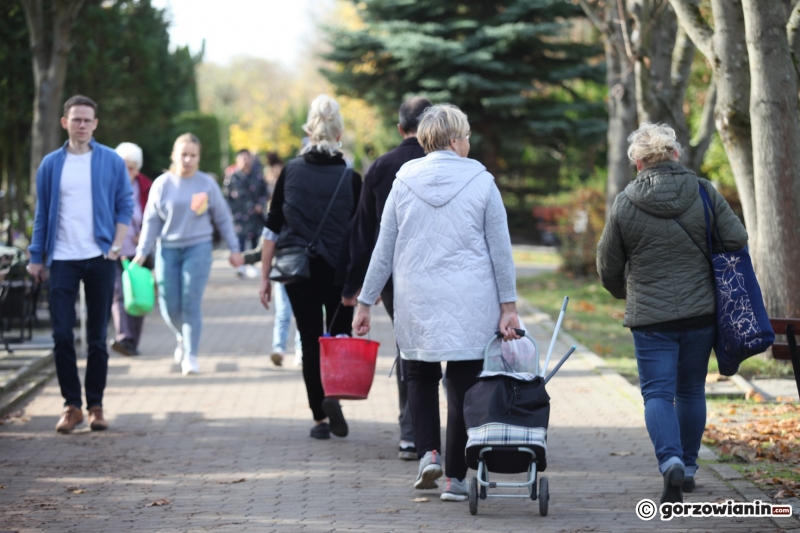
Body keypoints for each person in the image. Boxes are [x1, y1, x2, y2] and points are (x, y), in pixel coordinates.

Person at [352, 104, 520, 501]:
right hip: (471, 299)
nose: (468, 142)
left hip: (416, 298)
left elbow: (384, 248)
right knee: (462, 384)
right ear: (454, 140)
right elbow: (501, 249)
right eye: (466, 135)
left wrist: (364, 301)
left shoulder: (402, 180)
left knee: (420, 376)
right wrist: (508, 306)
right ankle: (454, 480)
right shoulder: (482, 181)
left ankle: (428, 452)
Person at [596, 123, 748, 504]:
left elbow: (607, 266)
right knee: (692, 390)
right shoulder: (703, 191)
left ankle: (671, 462)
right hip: (700, 313)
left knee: (657, 394)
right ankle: (692, 467)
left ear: (638, 164)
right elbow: (736, 238)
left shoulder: (626, 202)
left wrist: (624, 292)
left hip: (651, 319)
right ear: (675, 155)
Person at [258, 95, 362, 440]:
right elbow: (360, 235)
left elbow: (272, 227)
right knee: (337, 339)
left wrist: (264, 278)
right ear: (340, 133)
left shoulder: (290, 171)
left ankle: (319, 418)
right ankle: (334, 395)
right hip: (338, 273)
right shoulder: (351, 179)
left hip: (297, 270)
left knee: (309, 340)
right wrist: (365, 284)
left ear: (308, 130)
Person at [27, 94, 133, 433]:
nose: (82, 125)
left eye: (88, 120)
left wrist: (116, 245)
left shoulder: (111, 161)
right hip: (62, 259)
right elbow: (42, 214)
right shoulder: (51, 165)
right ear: (65, 122)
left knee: (98, 338)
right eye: (76, 119)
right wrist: (35, 257)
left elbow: (124, 205)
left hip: (100, 258)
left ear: (96, 124)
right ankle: (71, 405)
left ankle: (96, 407)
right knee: (61, 334)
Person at [342, 96, 431, 461]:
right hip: (450, 273)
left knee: (408, 349)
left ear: (400, 128)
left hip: (397, 277)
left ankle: (411, 434)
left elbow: (365, 232)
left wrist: (356, 287)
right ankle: (460, 433)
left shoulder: (381, 167)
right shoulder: (453, 164)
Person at [132, 133, 243, 376]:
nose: (188, 159)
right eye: (183, 154)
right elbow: (151, 221)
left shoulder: (206, 184)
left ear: (199, 158)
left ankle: (191, 354)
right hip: (167, 249)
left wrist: (235, 249)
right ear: (174, 155)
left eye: (193, 155)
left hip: (198, 248)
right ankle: (183, 334)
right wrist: (142, 253)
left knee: (191, 301)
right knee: (169, 305)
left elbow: (223, 218)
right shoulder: (162, 184)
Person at [110, 142, 153, 356]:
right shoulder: (108, 185)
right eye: (124, 166)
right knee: (119, 293)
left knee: (138, 293)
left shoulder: (146, 187)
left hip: (138, 251)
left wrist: (144, 234)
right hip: (114, 249)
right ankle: (124, 337)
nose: (128, 172)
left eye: (132, 167)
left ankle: (133, 341)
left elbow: (154, 216)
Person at [224, 149, 268, 278]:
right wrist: (232, 210)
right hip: (239, 216)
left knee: (255, 239)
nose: (244, 160)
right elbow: (227, 196)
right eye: (242, 158)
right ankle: (240, 265)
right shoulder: (233, 177)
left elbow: (265, 192)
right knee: (240, 240)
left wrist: (261, 204)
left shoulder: (258, 175)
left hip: (255, 214)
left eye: (247, 158)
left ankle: (252, 264)